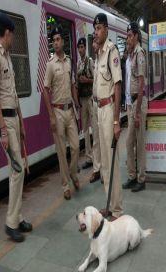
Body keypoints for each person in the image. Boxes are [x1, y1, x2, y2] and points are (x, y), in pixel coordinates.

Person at [0, 13, 32, 242]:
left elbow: (14, 96)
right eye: (12, 35)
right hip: (5, 121)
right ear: (7, 33)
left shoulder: (7, 57)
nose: (13, 39)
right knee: (16, 170)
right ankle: (10, 223)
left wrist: (22, 123)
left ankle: (17, 216)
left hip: (14, 119)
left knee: (18, 172)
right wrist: (3, 130)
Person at [43, 27, 81, 200]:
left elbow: (73, 84)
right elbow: (45, 90)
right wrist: (51, 115)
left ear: (63, 42)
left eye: (58, 39)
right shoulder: (50, 65)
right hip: (57, 111)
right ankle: (65, 185)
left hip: (69, 110)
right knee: (61, 152)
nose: (56, 42)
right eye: (54, 40)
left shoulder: (69, 62)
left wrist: (77, 104)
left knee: (75, 147)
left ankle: (73, 173)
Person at [93, 13, 123, 221]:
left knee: (112, 161)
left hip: (109, 110)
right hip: (98, 110)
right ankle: (109, 206)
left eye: (99, 28)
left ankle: (118, 210)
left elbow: (118, 87)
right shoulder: (98, 55)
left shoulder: (111, 51)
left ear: (107, 30)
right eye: (95, 29)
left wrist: (116, 120)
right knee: (104, 163)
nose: (96, 32)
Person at [122, 21, 147, 192]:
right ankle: (132, 175)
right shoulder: (130, 55)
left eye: (130, 36)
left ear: (136, 36)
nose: (127, 39)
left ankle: (141, 179)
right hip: (131, 105)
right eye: (127, 36)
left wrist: (137, 112)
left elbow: (142, 84)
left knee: (139, 144)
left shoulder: (139, 53)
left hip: (138, 104)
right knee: (128, 143)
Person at [77, 37, 94, 170]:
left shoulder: (90, 62)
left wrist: (86, 80)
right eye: (79, 47)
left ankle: (96, 156)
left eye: (82, 47)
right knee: (85, 130)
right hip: (82, 99)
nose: (81, 49)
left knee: (93, 127)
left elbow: (95, 79)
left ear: (85, 48)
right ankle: (89, 157)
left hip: (90, 98)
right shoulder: (78, 64)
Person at [90, 37, 102, 183]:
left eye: (95, 42)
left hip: (104, 104)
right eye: (92, 42)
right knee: (96, 139)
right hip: (94, 103)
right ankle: (96, 169)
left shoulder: (106, 58)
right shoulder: (96, 61)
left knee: (105, 140)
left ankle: (105, 171)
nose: (93, 44)